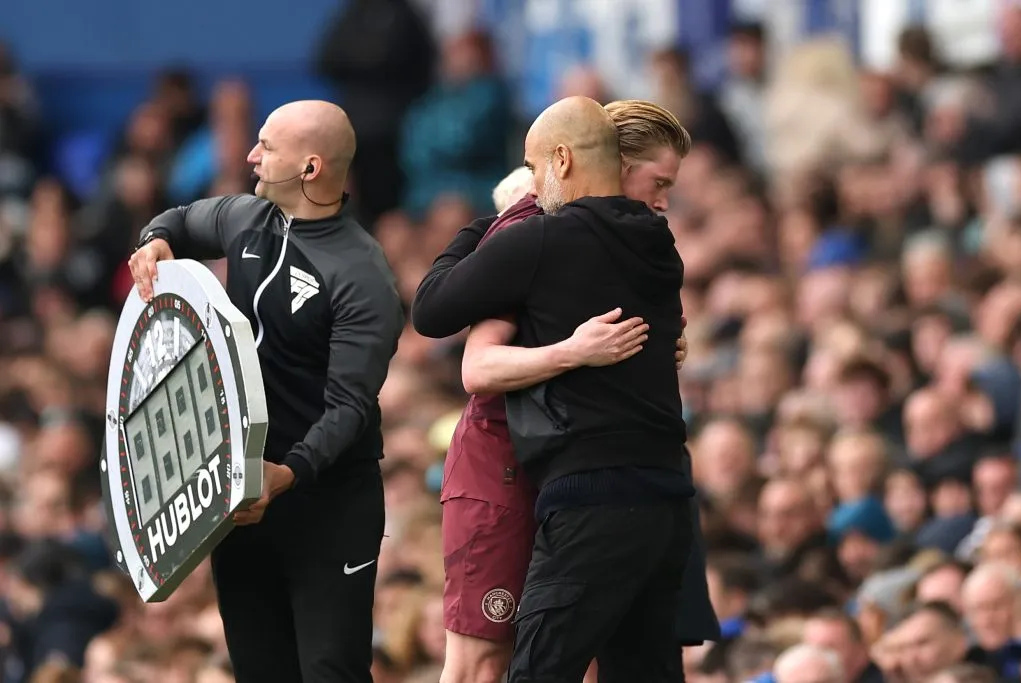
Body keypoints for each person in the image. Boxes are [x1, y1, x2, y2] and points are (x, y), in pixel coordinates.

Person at [422, 99, 715, 683]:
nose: (533, 186)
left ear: (562, 160)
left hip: (590, 499)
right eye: (658, 182)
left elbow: (432, 308)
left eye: (534, 171)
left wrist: (490, 224)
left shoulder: (535, 240)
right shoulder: (662, 248)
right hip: (667, 500)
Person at [127, 100, 404, 683]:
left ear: (309, 168)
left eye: (266, 147)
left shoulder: (362, 273)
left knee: (330, 671)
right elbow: (178, 220)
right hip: (242, 501)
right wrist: (154, 241)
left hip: (327, 502)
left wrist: (290, 473)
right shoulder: (245, 218)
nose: (251, 156)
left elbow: (351, 406)